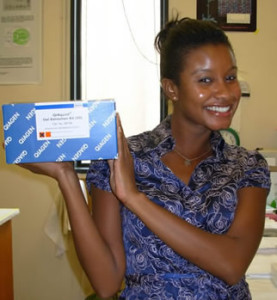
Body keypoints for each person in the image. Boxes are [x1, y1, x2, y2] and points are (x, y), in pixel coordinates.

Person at [18, 17, 270, 299]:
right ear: (171, 88)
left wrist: (134, 198)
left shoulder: (247, 166)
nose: (225, 92)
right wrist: (65, 175)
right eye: (206, 80)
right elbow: (107, 282)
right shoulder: (120, 158)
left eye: (230, 77)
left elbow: (232, 264)